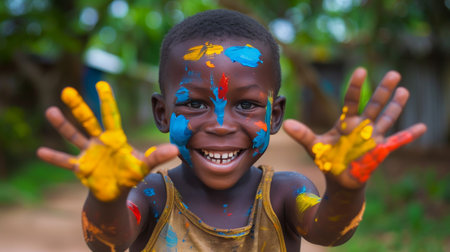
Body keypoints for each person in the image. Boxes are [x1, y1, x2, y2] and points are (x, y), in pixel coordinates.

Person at [37, 9, 427, 252]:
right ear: (162, 112)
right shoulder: (152, 196)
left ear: (274, 116)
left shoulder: (286, 193)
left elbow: (330, 233)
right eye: (194, 103)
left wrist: (346, 188)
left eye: (246, 105)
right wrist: (107, 197)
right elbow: (107, 241)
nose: (221, 125)